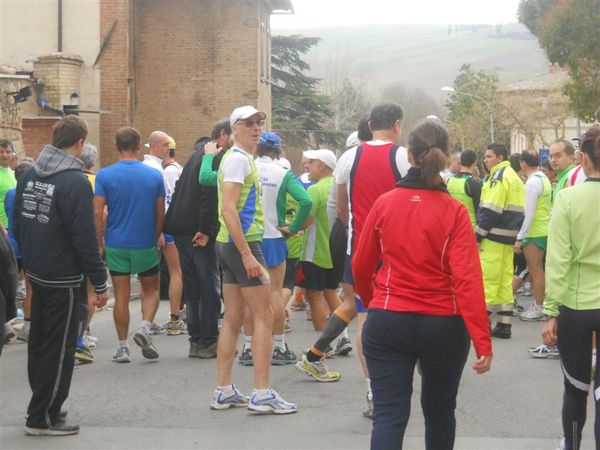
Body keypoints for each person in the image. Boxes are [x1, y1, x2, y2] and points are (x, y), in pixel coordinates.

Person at [353, 119, 492, 450]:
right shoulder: (454, 212)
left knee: (388, 415)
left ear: (409, 156)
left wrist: (377, 302)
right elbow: (468, 280)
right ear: (446, 156)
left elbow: (360, 265)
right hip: (443, 324)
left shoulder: (384, 203)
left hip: (388, 319)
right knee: (440, 411)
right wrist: (482, 341)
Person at [13, 116, 108, 435]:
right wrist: (99, 279)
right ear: (80, 143)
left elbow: (18, 222)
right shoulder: (76, 180)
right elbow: (84, 236)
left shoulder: (30, 172)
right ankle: (41, 415)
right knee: (61, 347)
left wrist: (27, 259)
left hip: (38, 272)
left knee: (41, 342)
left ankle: (45, 406)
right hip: (64, 278)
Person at [210, 105, 296, 414]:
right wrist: (247, 254)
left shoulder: (241, 159)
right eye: (248, 123)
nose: (256, 128)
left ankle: (223, 390)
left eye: (259, 122)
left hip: (231, 244)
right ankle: (262, 393)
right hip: (242, 244)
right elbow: (228, 209)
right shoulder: (237, 160)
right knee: (264, 316)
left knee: (233, 317)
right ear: (234, 129)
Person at [541, 130, 600, 450]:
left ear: (584, 159)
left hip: (576, 308)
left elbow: (559, 260)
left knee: (576, 389)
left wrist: (551, 312)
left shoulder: (567, 197)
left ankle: (573, 445)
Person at [94, 127, 165, 363]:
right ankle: (144, 328)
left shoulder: (104, 175)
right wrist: (155, 236)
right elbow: (160, 211)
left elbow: (97, 211)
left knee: (122, 295)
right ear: (138, 147)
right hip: (144, 241)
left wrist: (100, 241)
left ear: (116, 146)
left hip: (116, 242)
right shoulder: (155, 175)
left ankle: (123, 347)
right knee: (151, 289)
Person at [164, 121, 231, 358]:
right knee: (208, 286)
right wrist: (205, 229)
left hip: (181, 227)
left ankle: (196, 340)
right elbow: (209, 196)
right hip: (197, 231)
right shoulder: (214, 157)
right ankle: (208, 340)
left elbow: (183, 189)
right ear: (223, 135)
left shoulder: (196, 155)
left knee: (193, 287)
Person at [249, 131, 312, 365]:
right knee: (274, 293)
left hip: (248, 238)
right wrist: (293, 227)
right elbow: (306, 201)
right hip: (274, 237)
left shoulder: (247, 167)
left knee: (249, 295)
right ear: (278, 151)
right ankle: (278, 346)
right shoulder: (283, 173)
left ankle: (247, 347)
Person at [476, 143, 525, 339]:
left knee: (487, 281)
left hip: (493, 238)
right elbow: (521, 211)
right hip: (508, 238)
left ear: (500, 157)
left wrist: (478, 236)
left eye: (488, 156)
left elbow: (490, 210)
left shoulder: (498, 177)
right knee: (505, 282)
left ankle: (482, 325)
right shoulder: (515, 178)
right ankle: (504, 326)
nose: (485, 160)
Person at [144, 131, 184, 335]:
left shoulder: (158, 167)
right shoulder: (160, 170)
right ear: (153, 146)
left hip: (155, 227)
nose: (168, 149)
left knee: (153, 275)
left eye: (169, 145)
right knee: (175, 271)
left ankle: (149, 322)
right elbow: (163, 202)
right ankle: (174, 319)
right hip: (164, 227)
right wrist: (160, 230)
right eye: (164, 145)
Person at [514, 150, 551, 322]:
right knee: (537, 270)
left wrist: (520, 237)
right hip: (542, 229)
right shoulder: (543, 178)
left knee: (535, 270)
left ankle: (539, 307)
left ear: (523, 163)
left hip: (534, 232)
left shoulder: (532, 183)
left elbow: (528, 212)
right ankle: (540, 305)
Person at [4, 160, 34, 343]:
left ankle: (5, 324)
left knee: (7, 288)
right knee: (31, 290)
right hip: (29, 246)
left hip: (11, 247)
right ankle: (28, 327)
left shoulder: (10, 194)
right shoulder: (31, 195)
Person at [447, 149, 481, 228]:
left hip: (453, 227)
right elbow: (479, 212)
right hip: (469, 230)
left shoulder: (449, 180)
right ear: (475, 162)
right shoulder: (474, 183)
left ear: (460, 162)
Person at [0, 139, 16, 229]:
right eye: (1, 152)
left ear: (13, 154)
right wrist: (3, 230)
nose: (5, 155)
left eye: (8, 151)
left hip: (12, 226)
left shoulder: (12, 173)